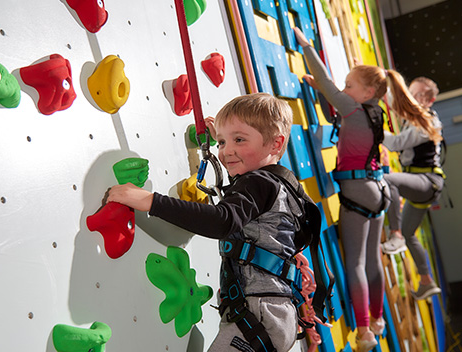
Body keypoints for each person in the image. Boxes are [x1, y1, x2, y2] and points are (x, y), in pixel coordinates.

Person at [108, 92, 322, 352]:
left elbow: (222, 220)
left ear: (276, 144)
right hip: (272, 314)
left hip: (258, 313)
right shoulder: (283, 186)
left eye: (239, 140)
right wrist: (228, 135)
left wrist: (152, 201)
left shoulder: (258, 183)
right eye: (221, 142)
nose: (226, 151)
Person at [294, 27, 402, 351]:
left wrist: (306, 46)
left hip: (358, 192)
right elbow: (333, 96)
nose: (343, 89)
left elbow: (326, 83)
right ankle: (379, 317)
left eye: (349, 85)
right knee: (373, 261)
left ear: (367, 91)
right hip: (379, 189)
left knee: (355, 263)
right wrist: (323, 90)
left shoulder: (354, 109)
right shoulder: (374, 112)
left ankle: (365, 332)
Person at [381, 76, 444, 301]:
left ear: (430, 100)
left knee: (388, 180)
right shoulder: (416, 117)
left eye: (419, 96)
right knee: (411, 234)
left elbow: (396, 143)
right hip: (422, 183)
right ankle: (426, 281)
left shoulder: (427, 122)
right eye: (411, 94)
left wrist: (373, 126)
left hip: (427, 181)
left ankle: (394, 234)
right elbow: (395, 101)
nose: (413, 99)